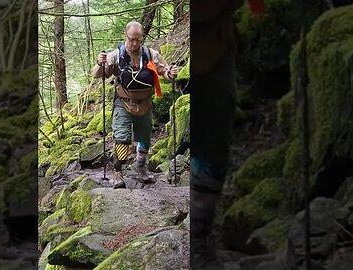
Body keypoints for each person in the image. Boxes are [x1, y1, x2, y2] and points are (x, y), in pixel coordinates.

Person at [190, 1, 264, 269]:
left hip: (215, 39)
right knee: (208, 143)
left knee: (213, 143)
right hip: (210, 38)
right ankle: (196, 242)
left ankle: (198, 239)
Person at [92, 21, 178, 189]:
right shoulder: (116, 55)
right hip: (123, 104)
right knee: (122, 138)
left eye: (138, 40)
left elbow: (165, 72)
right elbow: (97, 75)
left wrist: (171, 73)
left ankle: (139, 166)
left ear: (142, 38)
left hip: (145, 104)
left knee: (145, 139)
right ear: (126, 36)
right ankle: (118, 171)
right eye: (132, 39)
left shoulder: (151, 54)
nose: (135, 43)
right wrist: (99, 62)